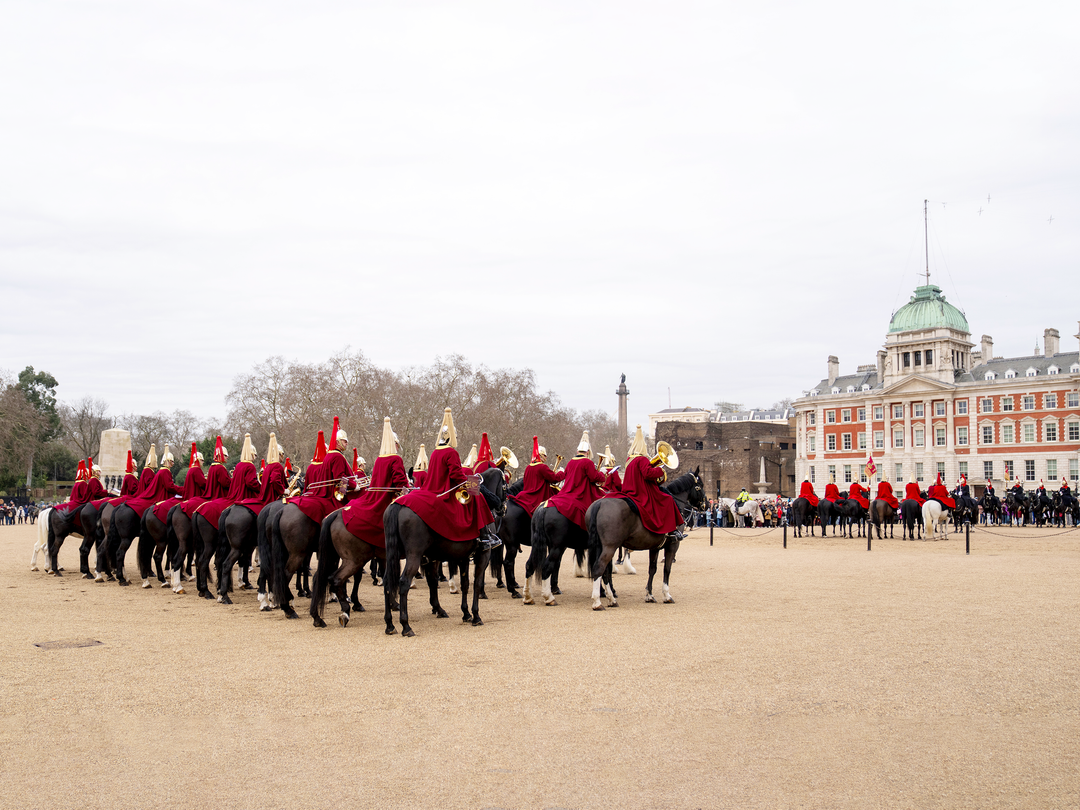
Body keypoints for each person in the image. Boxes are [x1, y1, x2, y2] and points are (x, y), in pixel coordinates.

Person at [395, 407, 500, 549]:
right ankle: (485, 537)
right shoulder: (451, 452)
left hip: (431, 489)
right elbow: (456, 475)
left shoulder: (435, 452)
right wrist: (471, 482)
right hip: (445, 491)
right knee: (478, 495)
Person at [604, 424, 685, 541]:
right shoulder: (642, 459)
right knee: (667, 499)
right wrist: (660, 470)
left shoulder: (629, 460)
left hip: (629, 491)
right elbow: (648, 474)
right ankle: (672, 530)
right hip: (641, 493)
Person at [343, 417, 411, 545]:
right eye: (397, 445)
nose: (397, 448)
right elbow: (400, 483)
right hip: (386, 499)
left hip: (374, 496)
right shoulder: (396, 459)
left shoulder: (379, 459)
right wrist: (408, 491)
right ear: (395, 444)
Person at [547, 431, 606, 532]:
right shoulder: (588, 462)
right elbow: (594, 478)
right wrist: (602, 473)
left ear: (577, 451)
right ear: (587, 452)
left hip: (566, 492)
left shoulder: (570, 462)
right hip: (581, 494)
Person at [507, 436, 565, 517]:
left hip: (526, 495)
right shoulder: (542, 467)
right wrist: (561, 472)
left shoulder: (528, 467)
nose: (546, 457)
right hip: (538, 497)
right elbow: (554, 479)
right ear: (540, 455)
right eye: (544, 455)